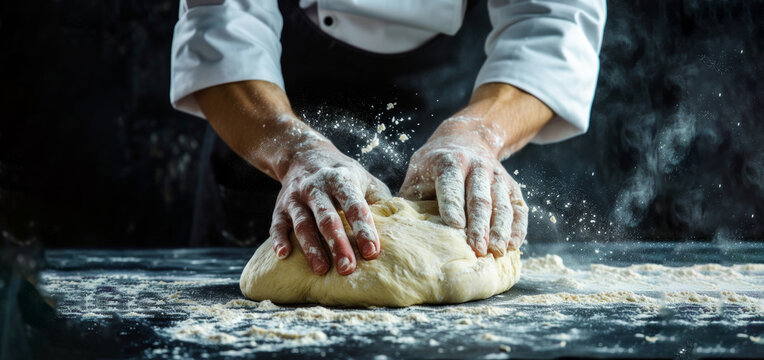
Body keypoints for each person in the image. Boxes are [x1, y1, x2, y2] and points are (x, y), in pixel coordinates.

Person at [170, 0, 606, 275]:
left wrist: (477, 134)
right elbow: (220, 23)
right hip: (267, 120)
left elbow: (553, 21)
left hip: (453, 112)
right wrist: (292, 153)